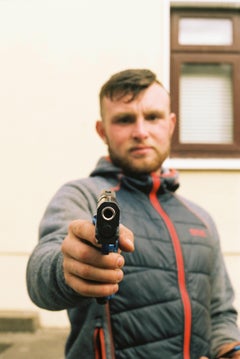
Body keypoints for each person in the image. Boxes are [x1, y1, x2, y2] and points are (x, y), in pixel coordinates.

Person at [26, 69, 240, 359]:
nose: (141, 131)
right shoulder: (81, 195)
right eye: (124, 119)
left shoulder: (200, 218)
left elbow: (220, 311)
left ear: (171, 124)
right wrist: (66, 269)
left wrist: (230, 350)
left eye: (153, 117)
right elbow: (43, 272)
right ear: (102, 131)